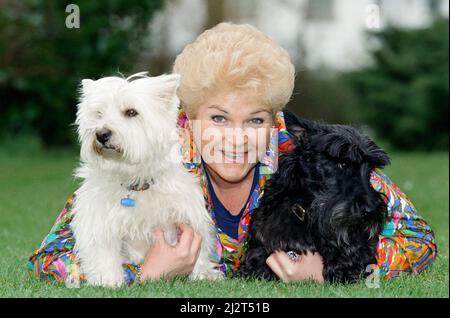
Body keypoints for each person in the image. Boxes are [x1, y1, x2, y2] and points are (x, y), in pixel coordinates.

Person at [28, 22, 437, 285]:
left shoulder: (310, 157)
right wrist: (146, 273)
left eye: (255, 121)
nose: (237, 139)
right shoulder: (151, 164)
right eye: (219, 119)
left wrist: (329, 272)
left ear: (274, 121)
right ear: (187, 116)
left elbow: (419, 240)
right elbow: (51, 258)